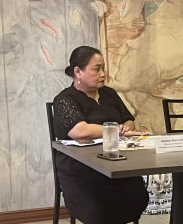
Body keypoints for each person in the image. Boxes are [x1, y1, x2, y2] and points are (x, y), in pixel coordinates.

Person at [53, 46, 149, 224]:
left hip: (115, 163)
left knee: (138, 196)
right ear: (78, 72)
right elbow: (80, 131)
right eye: (97, 69)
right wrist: (116, 130)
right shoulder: (65, 99)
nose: (103, 74)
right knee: (98, 207)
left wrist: (125, 128)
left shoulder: (109, 94)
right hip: (80, 169)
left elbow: (128, 120)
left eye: (103, 68)